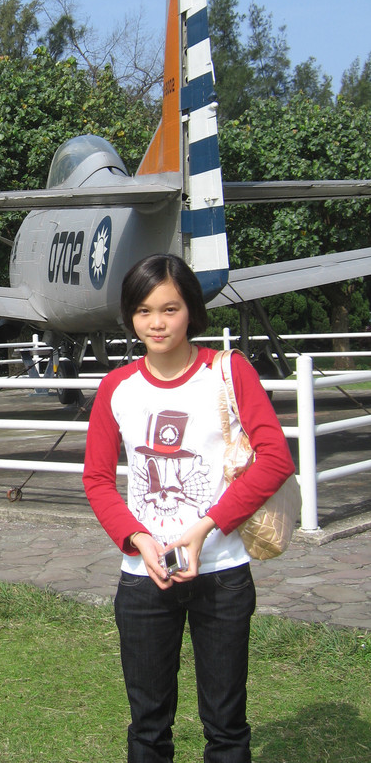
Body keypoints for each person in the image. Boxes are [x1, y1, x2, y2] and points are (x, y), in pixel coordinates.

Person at [83, 253, 295, 763]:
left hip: (221, 573)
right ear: (130, 316)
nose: (156, 323)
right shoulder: (117, 387)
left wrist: (206, 528)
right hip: (144, 577)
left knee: (226, 726)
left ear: (192, 311)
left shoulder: (229, 372)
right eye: (143, 310)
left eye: (170, 309)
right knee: (148, 727)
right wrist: (138, 539)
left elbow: (275, 458)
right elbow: (97, 479)